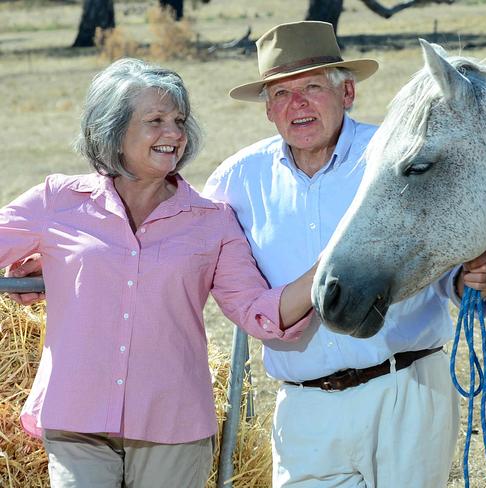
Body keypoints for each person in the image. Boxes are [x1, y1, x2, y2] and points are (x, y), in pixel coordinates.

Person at [202, 21, 486, 487]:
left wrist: (471, 281)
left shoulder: (398, 157)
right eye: (281, 94)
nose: (296, 104)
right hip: (305, 407)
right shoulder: (237, 181)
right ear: (267, 110)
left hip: (405, 391)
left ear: (347, 94)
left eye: (312, 87)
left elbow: (448, 269)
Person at [0, 58, 316, 488]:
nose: (174, 134)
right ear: (112, 129)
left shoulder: (211, 220)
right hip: (76, 420)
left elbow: (254, 309)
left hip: (174, 425)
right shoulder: (59, 200)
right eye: (155, 120)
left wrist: (325, 272)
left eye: (179, 120)